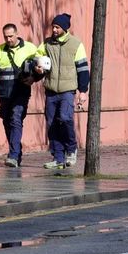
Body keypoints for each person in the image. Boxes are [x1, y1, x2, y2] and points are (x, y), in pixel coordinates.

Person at [0, 23, 44, 168]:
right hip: (4, 93)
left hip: (21, 92)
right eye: (6, 37)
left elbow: (42, 67)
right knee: (7, 121)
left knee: (16, 119)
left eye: (11, 36)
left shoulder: (30, 48)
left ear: (16, 34)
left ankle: (13, 155)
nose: (8, 39)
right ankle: (16, 152)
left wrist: (34, 78)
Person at [42, 13, 90, 170]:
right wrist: (37, 68)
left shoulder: (76, 44)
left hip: (67, 91)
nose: (54, 30)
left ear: (65, 28)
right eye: (53, 27)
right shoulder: (47, 44)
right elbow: (37, 59)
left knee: (65, 118)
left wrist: (83, 91)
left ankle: (71, 149)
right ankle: (58, 157)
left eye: (57, 27)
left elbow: (83, 70)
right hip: (50, 90)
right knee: (51, 123)